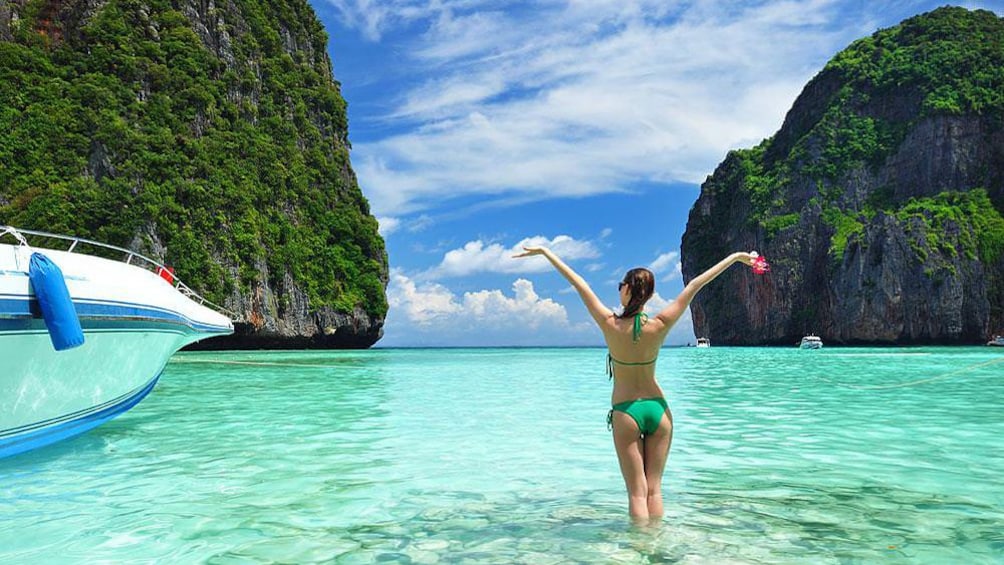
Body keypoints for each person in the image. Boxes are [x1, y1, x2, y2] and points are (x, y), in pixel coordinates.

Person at [513, 246, 758, 520]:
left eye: (621, 285)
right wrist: (736, 257)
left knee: (637, 493)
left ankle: (638, 552)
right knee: (654, 490)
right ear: (650, 294)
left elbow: (577, 282)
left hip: (626, 411)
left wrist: (546, 252)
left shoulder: (610, 324)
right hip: (659, 410)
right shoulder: (661, 323)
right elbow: (696, 284)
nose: (619, 289)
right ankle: (656, 551)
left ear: (628, 289)